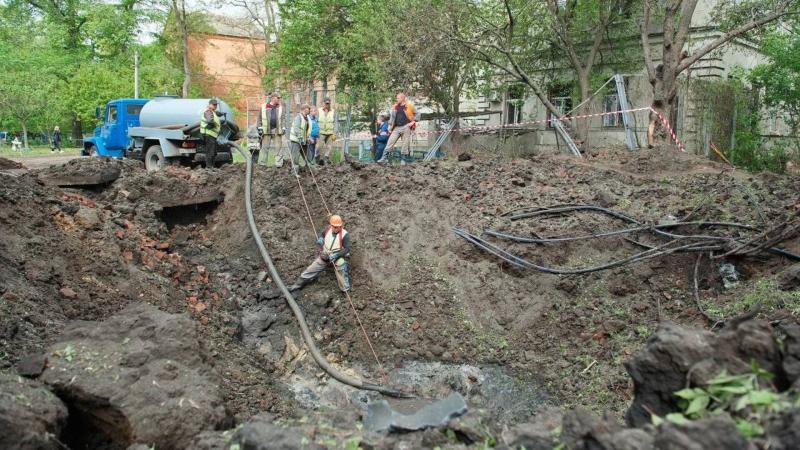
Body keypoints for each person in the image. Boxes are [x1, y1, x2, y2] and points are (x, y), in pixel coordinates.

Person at [288, 215, 351, 292]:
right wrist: (321, 238)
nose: (336, 228)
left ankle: (345, 288)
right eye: (334, 226)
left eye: (338, 227)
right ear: (331, 225)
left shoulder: (345, 234)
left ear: (340, 226)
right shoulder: (327, 229)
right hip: (325, 254)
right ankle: (297, 285)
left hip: (336, 255)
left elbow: (347, 248)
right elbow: (321, 234)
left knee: (341, 264)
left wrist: (337, 255)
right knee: (311, 269)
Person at [377, 92, 420, 164]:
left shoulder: (410, 105)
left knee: (405, 144)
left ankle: (404, 161)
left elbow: (418, 113)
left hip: (406, 127)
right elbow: (392, 117)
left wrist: (413, 122)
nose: (397, 99)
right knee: (390, 142)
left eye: (398, 98)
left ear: (403, 98)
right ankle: (384, 158)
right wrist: (389, 126)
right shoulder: (395, 107)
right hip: (396, 127)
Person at [256, 92, 285, 167]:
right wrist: (259, 127)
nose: (279, 99)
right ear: (272, 98)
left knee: (278, 147)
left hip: (277, 130)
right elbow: (259, 117)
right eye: (277, 98)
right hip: (266, 130)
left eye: (279, 98)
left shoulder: (280, 107)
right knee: (265, 147)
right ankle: (263, 163)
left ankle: (278, 164)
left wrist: (283, 127)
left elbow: (283, 118)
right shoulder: (264, 106)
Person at [289, 104, 312, 178]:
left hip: (304, 141)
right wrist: (299, 136)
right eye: (308, 108)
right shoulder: (298, 117)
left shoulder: (307, 118)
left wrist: (307, 138)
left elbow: (307, 130)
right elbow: (296, 127)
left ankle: (310, 170)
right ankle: (295, 172)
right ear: (304, 109)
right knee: (295, 157)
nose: (309, 110)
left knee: (308, 156)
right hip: (296, 141)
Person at [199, 98, 223, 168]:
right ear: (210, 104)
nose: (215, 106)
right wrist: (213, 125)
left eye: (216, 105)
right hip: (209, 134)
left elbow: (217, 113)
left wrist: (222, 114)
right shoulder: (208, 111)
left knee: (213, 152)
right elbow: (209, 120)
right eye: (214, 105)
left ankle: (212, 166)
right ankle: (209, 167)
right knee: (210, 152)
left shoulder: (212, 111)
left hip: (212, 135)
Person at [316, 97, 338, 165]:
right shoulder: (319, 111)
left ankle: (326, 159)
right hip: (321, 132)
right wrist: (316, 131)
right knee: (318, 146)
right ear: (323, 103)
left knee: (329, 147)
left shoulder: (333, 112)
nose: (327, 105)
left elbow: (336, 123)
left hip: (330, 132)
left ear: (330, 104)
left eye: (328, 104)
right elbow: (316, 121)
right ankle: (317, 159)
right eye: (326, 103)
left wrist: (335, 133)